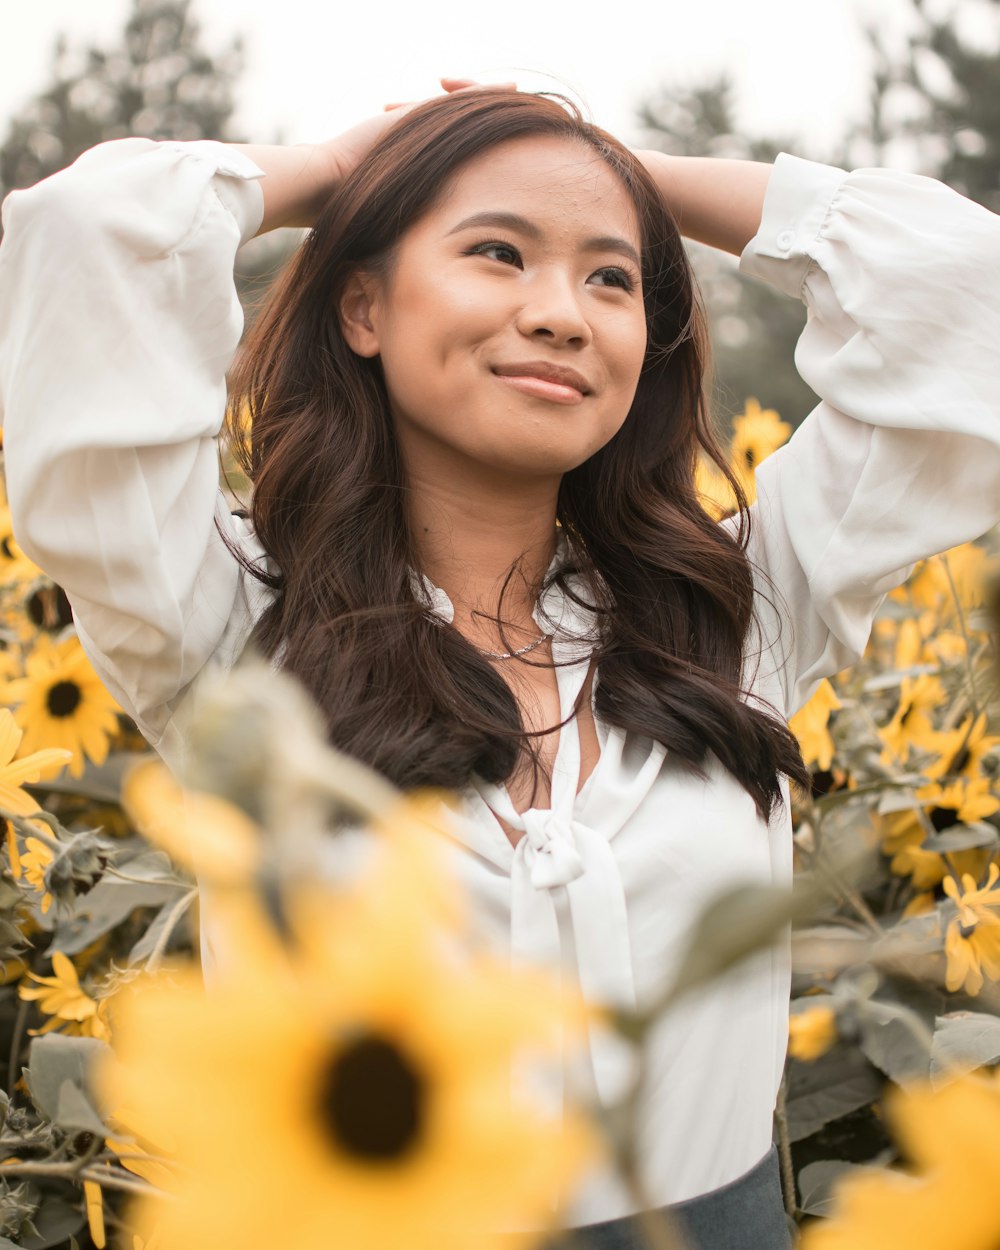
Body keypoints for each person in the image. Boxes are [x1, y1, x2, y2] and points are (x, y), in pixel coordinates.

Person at [1, 80, 999, 1250]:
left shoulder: (736, 606)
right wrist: (340, 163)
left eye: (611, 276)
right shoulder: (231, 624)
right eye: (497, 252)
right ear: (361, 305)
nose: (563, 313)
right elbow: (85, 237)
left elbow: (966, 299)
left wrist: (619, 166)